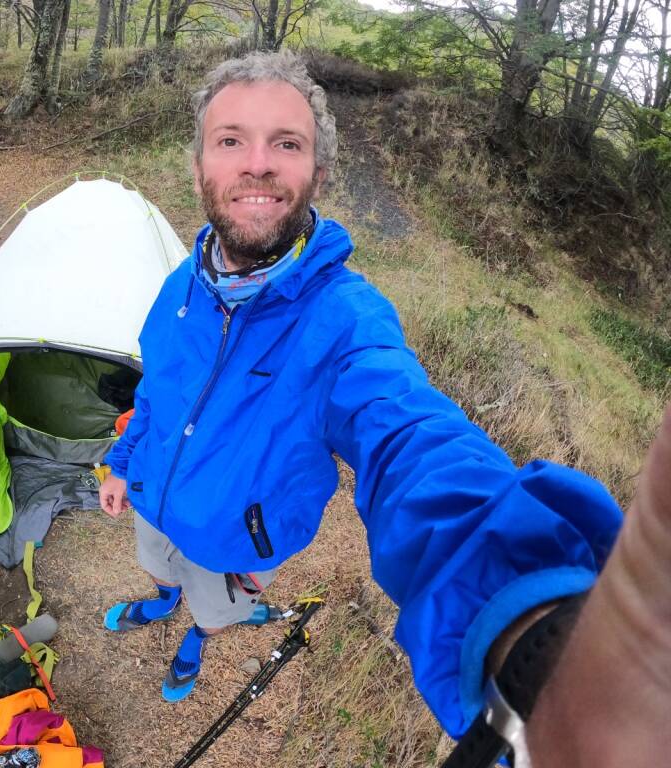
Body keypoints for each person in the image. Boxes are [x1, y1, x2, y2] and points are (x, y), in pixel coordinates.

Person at [97, 50, 669, 763]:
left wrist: (529, 621)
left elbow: (405, 431)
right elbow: (156, 388)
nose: (258, 164)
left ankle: (197, 637)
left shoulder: (346, 319)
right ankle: (159, 599)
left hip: (235, 543)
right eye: (231, 140)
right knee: (158, 562)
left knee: (213, 609)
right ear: (199, 168)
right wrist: (122, 463)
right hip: (152, 500)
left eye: (287, 144)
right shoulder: (182, 282)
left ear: (317, 175)